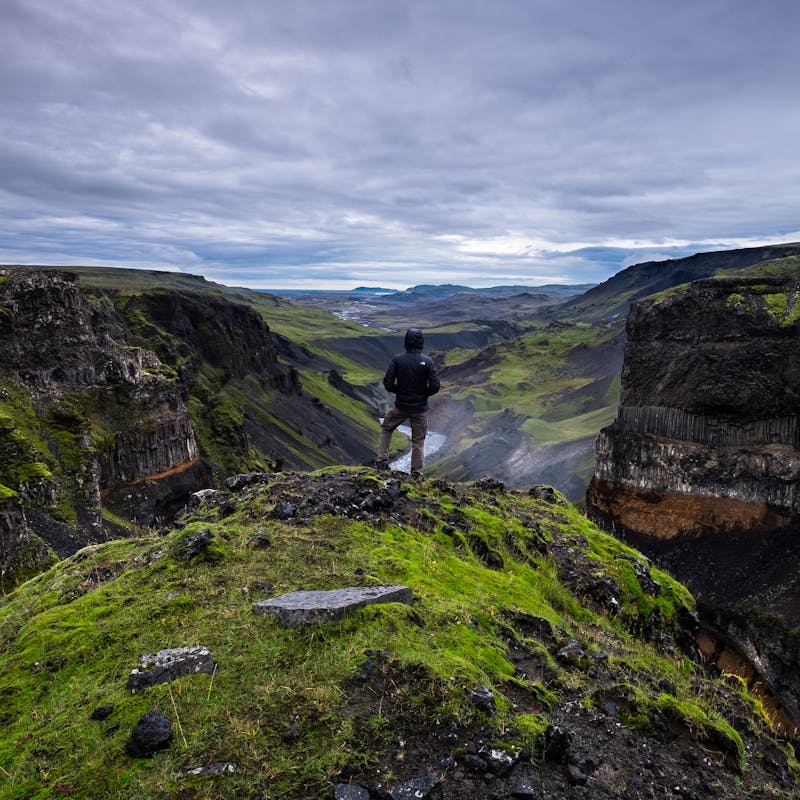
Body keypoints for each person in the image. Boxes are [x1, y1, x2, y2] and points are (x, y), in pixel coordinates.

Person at [378, 327, 440, 475]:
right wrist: (422, 394)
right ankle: (416, 472)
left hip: (400, 406)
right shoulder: (428, 361)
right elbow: (435, 386)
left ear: (406, 341)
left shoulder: (398, 360)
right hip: (420, 409)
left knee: (386, 429)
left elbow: (387, 383)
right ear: (421, 342)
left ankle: (381, 461)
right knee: (418, 441)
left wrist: (399, 391)